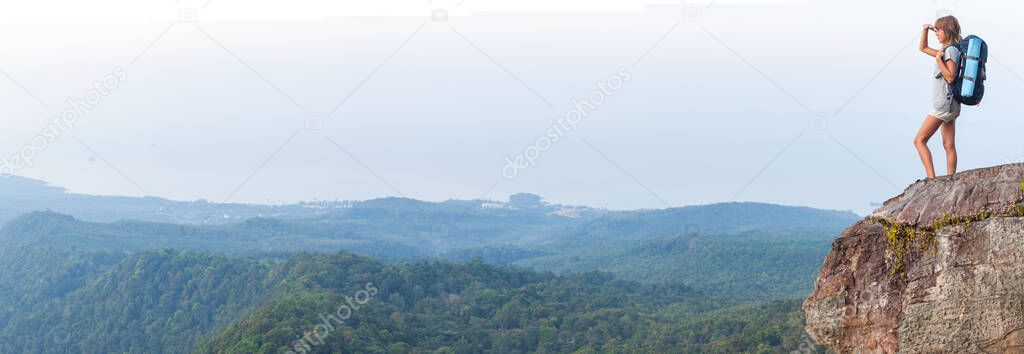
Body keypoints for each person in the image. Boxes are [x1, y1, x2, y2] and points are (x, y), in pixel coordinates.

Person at [914, 16, 963, 179]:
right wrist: (925, 30)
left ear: (947, 30)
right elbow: (923, 47)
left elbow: (950, 76)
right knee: (948, 145)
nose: (937, 33)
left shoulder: (950, 51)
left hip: (944, 105)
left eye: (939, 30)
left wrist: (938, 60)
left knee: (919, 141)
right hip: (952, 105)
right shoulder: (949, 50)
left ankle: (931, 179)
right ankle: (950, 180)